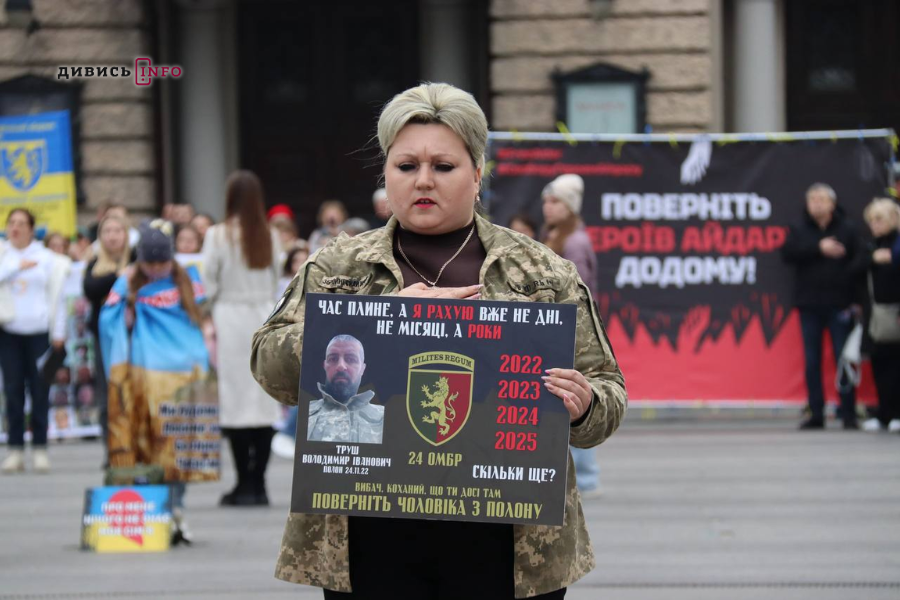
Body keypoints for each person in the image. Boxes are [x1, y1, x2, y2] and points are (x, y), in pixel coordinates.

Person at [251, 82, 627, 599]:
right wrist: (378, 324)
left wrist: (583, 405)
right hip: (367, 531)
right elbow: (268, 365)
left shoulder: (540, 271)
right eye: (406, 167)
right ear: (385, 173)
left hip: (507, 540)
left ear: (477, 174)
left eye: (443, 167)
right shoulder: (338, 266)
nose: (423, 181)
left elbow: (608, 395)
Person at [99, 219, 212, 543]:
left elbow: (204, 319)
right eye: (151, 263)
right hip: (145, 378)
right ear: (140, 260)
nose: (158, 269)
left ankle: (178, 511)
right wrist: (125, 311)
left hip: (185, 378)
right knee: (149, 447)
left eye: (163, 262)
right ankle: (156, 512)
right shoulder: (127, 282)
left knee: (180, 449)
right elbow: (107, 322)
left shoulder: (188, 279)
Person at [203, 170, 282, 507]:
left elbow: (209, 281)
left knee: (235, 403)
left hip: (231, 317)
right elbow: (277, 277)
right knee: (263, 402)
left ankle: (242, 483)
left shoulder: (218, 235)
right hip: (262, 312)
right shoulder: (270, 234)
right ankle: (260, 484)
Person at [781, 183, 863, 430]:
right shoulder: (799, 228)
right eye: (812, 199)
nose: (816, 203)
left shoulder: (847, 228)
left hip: (840, 304)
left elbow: (860, 260)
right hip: (809, 304)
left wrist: (852, 294)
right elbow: (787, 253)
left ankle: (848, 412)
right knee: (812, 359)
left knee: (843, 358)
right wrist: (818, 248)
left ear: (832, 204)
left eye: (821, 199)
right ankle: (816, 412)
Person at [541, 174, 601, 496]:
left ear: (569, 207)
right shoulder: (553, 235)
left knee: (575, 400)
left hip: (571, 333)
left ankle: (587, 478)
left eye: (555, 202)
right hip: (557, 330)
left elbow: (579, 295)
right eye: (546, 202)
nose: (548, 208)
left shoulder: (574, 241)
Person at [0, 209, 71, 474]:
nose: (15, 228)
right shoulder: (3, 255)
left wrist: (59, 334)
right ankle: (15, 449)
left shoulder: (47, 259)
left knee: (40, 390)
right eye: (11, 223)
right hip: (8, 332)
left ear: (32, 229)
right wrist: (15, 266)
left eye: (21, 224)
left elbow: (58, 297)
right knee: (13, 391)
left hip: (40, 332)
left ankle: (40, 447)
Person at [83, 215, 132, 459]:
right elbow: (91, 289)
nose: (112, 236)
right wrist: (118, 276)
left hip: (134, 337)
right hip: (104, 340)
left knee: (131, 392)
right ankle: (111, 450)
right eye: (107, 231)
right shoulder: (93, 262)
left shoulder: (137, 260)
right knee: (106, 396)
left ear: (126, 234)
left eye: (117, 230)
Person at [859, 198, 900, 433]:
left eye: (879, 219)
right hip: (876, 314)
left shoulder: (897, 244)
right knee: (879, 363)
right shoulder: (870, 246)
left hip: (896, 311)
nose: (874, 224)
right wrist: (872, 259)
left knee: (897, 363)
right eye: (872, 220)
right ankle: (884, 413)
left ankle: (897, 413)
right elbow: (853, 267)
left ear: (892, 219)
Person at [307, 335, 383, 444]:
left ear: (362, 368)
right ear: (325, 366)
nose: (341, 366)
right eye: (333, 359)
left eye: (351, 359)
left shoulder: (385, 418)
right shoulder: (305, 412)